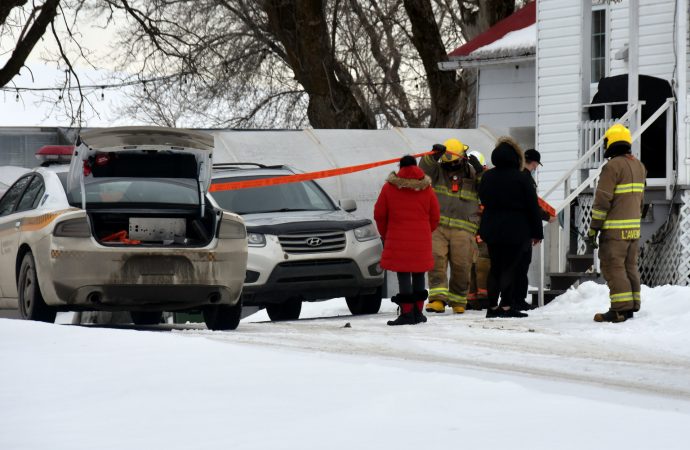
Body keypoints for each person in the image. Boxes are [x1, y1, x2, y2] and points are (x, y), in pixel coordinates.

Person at [478, 137, 544, 318]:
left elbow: (482, 198)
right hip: (516, 229)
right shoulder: (522, 178)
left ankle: (492, 308)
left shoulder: (488, 176)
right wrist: (537, 232)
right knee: (510, 268)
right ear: (516, 157)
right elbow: (532, 207)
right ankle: (506, 306)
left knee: (495, 267)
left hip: (492, 227)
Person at [588, 124, 646, 323]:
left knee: (614, 267)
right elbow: (641, 200)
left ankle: (619, 309)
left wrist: (594, 228)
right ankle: (632, 305)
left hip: (615, 231)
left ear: (610, 142)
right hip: (633, 229)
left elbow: (602, 200)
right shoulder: (639, 166)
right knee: (629, 265)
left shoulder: (612, 167)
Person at [419, 138, 484, 314]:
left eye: (454, 163)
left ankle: (458, 300)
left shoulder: (472, 173)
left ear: (462, 158)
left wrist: (480, 172)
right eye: (448, 163)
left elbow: (488, 189)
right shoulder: (437, 171)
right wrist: (431, 156)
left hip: (464, 228)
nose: (451, 166)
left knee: (461, 265)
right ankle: (437, 299)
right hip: (438, 226)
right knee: (436, 261)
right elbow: (421, 171)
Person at [374, 155, 440, 326]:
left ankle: (407, 313)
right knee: (419, 273)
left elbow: (379, 214)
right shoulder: (427, 188)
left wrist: (387, 234)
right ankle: (418, 312)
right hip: (422, 239)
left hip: (397, 238)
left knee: (403, 274)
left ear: (400, 167)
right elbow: (435, 216)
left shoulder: (389, 188)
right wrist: (425, 231)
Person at [512, 148, 556, 311]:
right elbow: (531, 205)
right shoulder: (525, 179)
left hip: (515, 228)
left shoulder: (516, 175)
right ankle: (518, 300)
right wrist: (546, 217)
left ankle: (513, 299)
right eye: (537, 164)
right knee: (522, 266)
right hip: (523, 229)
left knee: (516, 266)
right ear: (534, 163)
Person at [466, 151, 490, 310]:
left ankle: (483, 297)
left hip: (483, 226)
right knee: (469, 264)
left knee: (482, 263)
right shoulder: (465, 179)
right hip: (470, 226)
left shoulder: (487, 179)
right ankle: (471, 298)